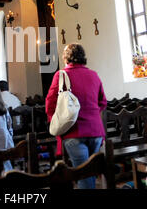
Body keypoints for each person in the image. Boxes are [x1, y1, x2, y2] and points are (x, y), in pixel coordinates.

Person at [45, 44, 107, 189]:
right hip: (96, 132)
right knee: (89, 172)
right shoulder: (94, 75)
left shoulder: (61, 75)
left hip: (74, 132)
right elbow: (103, 102)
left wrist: (58, 119)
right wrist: (91, 114)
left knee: (83, 175)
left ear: (66, 58)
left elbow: (50, 103)